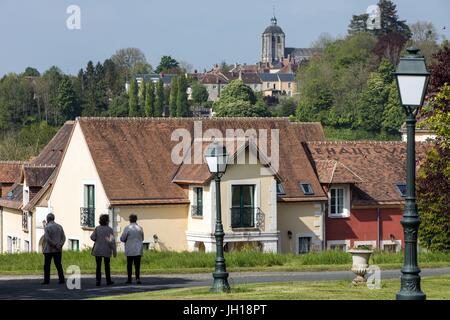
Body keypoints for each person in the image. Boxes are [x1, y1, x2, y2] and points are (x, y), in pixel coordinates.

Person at [90, 214, 117, 286]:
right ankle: (108, 280)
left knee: (98, 266)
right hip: (106, 250)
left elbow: (92, 237)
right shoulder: (110, 229)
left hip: (98, 249)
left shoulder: (97, 228)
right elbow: (112, 241)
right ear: (107, 221)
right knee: (107, 266)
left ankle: (98, 281)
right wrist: (114, 251)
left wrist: (97, 239)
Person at [42, 213, 66, 285]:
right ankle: (61, 279)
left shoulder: (47, 227)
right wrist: (60, 245)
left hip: (49, 250)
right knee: (58, 264)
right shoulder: (59, 227)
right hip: (58, 249)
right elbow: (63, 237)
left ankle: (47, 280)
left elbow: (47, 239)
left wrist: (54, 245)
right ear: (53, 218)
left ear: (47, 219)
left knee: (47, 265)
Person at [120, 214, 144, 285]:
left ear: (130, 220)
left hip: (130, 249)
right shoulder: (140, 228)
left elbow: (122, 238)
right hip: (138, 249)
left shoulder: (127, 228)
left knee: (129, 264)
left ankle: (129, 279)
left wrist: (126, 240)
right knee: (137, 265)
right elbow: (142, 238)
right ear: (136, 219)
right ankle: (137, 278)